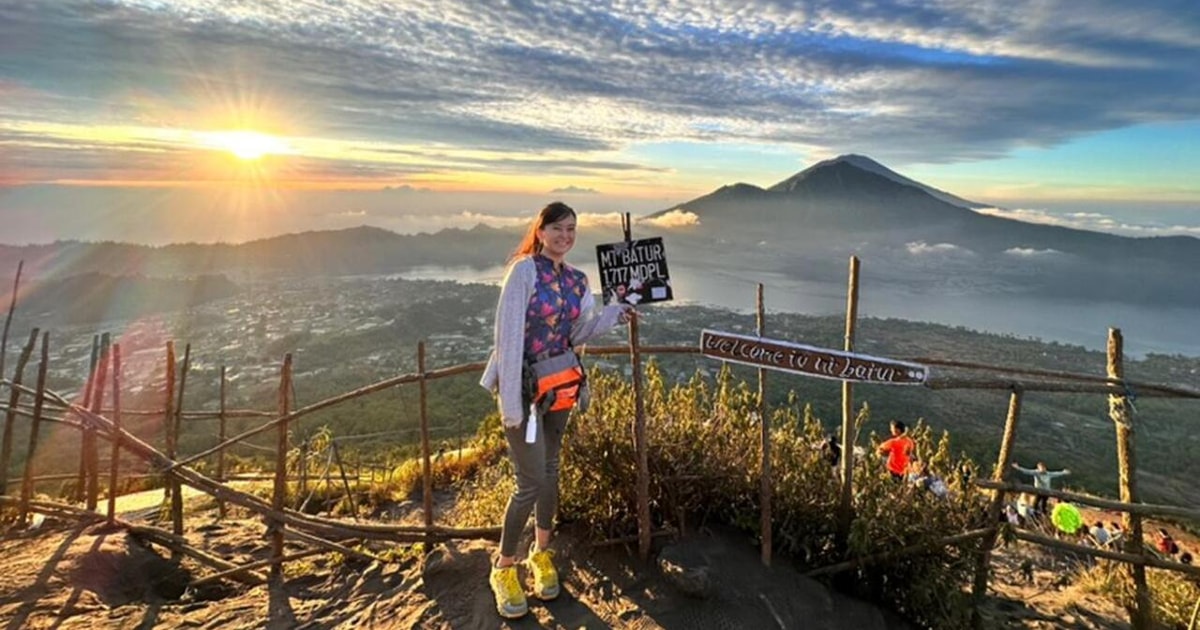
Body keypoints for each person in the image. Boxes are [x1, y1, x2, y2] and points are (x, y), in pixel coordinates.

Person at [479, 202, 634, 619]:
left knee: (550, 473)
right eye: (558, 229)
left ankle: (541, 554)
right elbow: (508, 336)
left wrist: (614, 313)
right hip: (524, 392)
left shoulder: (579, 281)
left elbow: (578, 333)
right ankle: (504, 566)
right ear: (541, 230)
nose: (566, 236)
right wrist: (510, 402)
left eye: (572, 230)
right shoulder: (524, 271)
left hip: (560, 388)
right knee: (528, 482)